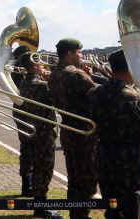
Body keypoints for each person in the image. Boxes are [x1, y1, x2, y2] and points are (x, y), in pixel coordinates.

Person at [88, 49, 140, 219]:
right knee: (136, 210)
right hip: (131, 163)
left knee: (112, 209)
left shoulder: (93, 93)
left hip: (104, 158)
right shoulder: (138, 98)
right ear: (130, 68)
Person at [47, 38, 97, 219]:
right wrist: (89, 76)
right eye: (79, 53)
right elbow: (97, 97)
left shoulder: (53, 75)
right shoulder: (77, 75)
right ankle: (81, 215)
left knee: (74, 178)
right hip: (84, 133)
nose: (82, 56)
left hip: (68, 131)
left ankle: (75, 213)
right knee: (87, 180)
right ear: (70, 53)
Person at [17, 52, 61, 219]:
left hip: (33, 131)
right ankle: (42, 207)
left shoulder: (25, 82)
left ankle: (38, 204)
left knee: (37, 168)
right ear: (35, 65)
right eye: (41, 64)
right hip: (44, 133)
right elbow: (57, 101)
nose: (43, 67)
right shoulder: (41, 85)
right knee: (44, 169)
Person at [9, 45, 33, 197]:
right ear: (19, 57)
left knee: (30, 148)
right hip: (23, 111)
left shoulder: (24, 68)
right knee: (27, 149)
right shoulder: (18, 70)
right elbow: (25, 88)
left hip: (28, 111)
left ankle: (31, 183)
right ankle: (27, 184)